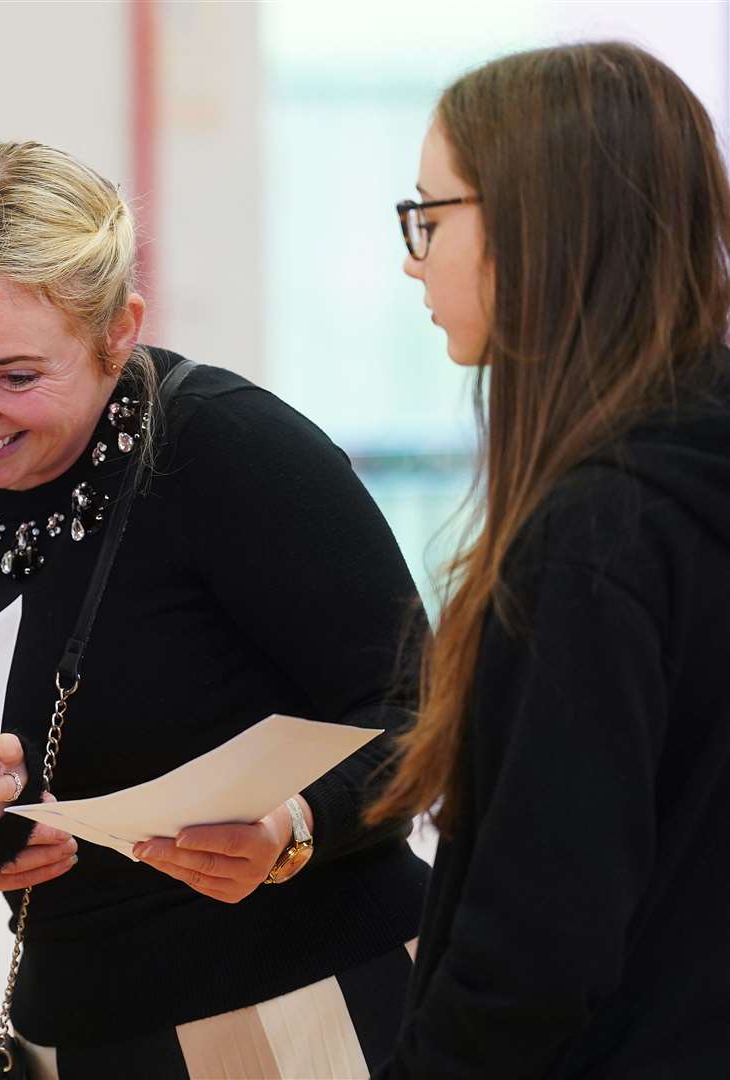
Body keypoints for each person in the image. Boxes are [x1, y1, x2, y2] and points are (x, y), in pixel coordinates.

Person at [0, 142, 430, 1078]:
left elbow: (422, 716)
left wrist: (291, 831)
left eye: (18, 377)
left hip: (317, 1005)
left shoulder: (227, 449)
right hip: (78, 1031)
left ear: (120, 331)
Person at [370, 42, 730, 1077]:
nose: (413, 256)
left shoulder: (596, 537)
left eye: (431, 218)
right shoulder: (672, 482)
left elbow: (532, 958)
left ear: (539, 225)